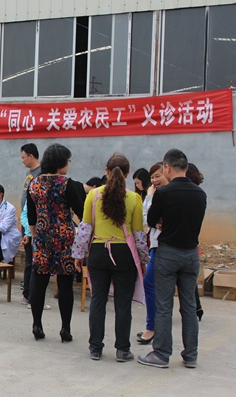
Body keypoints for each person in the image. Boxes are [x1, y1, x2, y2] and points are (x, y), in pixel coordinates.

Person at [72, 152, 148, 362]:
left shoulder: (94, 195)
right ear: (127, 173)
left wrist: (78, 254)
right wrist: (143, 260)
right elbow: (138, 234)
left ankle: (95, 347)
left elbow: (85, 228)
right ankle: (122, 349)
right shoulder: (134, 198)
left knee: (98, 300)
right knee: (123, 304)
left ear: (106, 171)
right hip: (124, 254)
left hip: (98, 252)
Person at [138, 149, 206, 369]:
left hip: (168, 253)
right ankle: (191, 355)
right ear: (185, 167)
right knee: (189, 306)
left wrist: (160, 220)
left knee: (164, 305)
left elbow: (150, 220)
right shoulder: (200, 194)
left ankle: (161, 354)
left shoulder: (164, 193)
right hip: (191, 254)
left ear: (167, 167)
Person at [26, 144, 84, 342]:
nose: (69, 164)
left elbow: (31, 216)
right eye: (68, 160)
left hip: (42, 237)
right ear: (60, 163)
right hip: (64, 239)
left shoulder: (34, 183)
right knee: (65, 284)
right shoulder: (67, 184)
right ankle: (65, 329)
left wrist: (36, 236)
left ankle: (37, 325)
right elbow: (81, 212)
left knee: (39, 282)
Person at [136, 162, 167, 345]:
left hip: (164, 246)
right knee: (151, 284)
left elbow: (147, 219)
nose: (154, 180)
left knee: (150, 284)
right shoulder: (156, 194)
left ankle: (152, 328)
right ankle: (152, 326)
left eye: (158, 176)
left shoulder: (165, 195)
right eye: (152, 177)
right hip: (155, 244)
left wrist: (149, 198)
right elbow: (147, 221)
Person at [19, 143, 41, 306]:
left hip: (35, 224)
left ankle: (32, 296)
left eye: (23, 157)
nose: (22, 160)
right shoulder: (29, 173)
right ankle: (28, 295)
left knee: (36, 261)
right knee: (30, 260)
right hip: (27, 222)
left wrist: (31, 229)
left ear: (31, 156)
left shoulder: (41, 174)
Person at [186, 163, 205, 321]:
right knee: (189, 281)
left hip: (177, 245)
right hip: (192, 243)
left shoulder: (183, 194)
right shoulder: (200, 194)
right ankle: (197, 308)